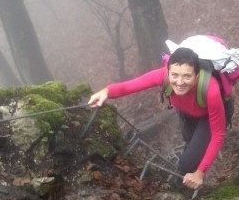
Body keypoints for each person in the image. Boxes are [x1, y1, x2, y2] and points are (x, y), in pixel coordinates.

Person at [88, 47, 226, 190]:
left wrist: (199, 173)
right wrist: (106, 91)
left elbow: (218, 135)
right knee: (190, 144)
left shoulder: (211, 91)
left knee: (187, 162)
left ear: (196, 76)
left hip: (207, 118)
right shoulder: (163, 76)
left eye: (186, 76)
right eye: (175, 75)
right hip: (186, 113)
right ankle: (190, 170)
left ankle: (185, 186)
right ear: (168, 72)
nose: (179, 82)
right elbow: (131, 85)